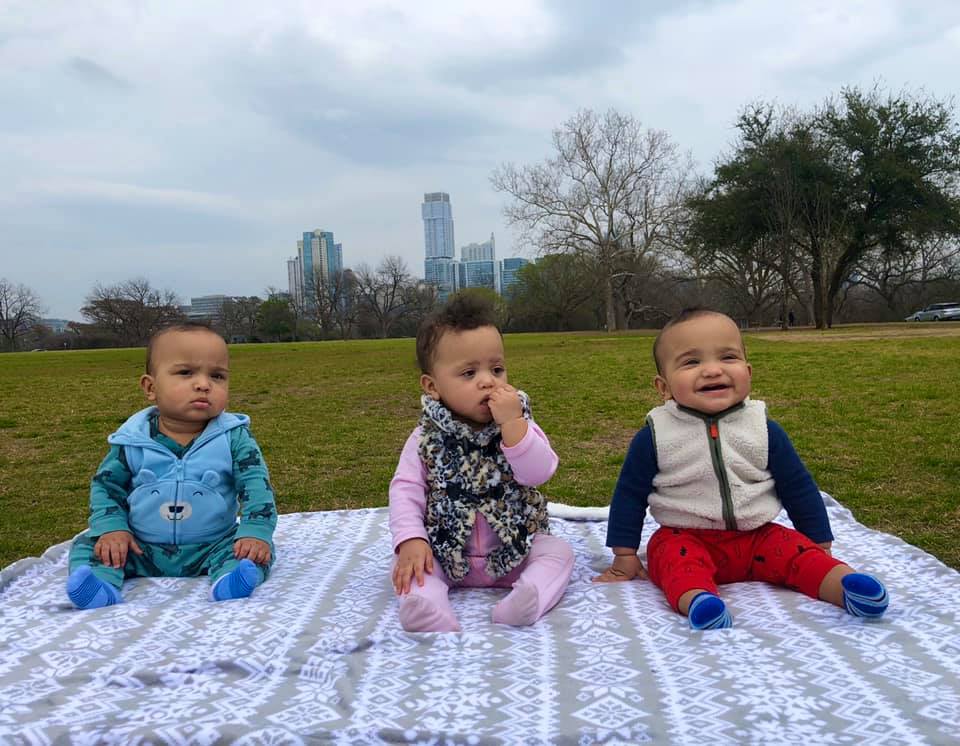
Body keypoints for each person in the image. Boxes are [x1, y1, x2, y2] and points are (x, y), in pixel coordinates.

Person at [594, 308, 888, 630]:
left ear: (748, 371)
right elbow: (629, 496)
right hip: (687, 537)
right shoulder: (655, 436)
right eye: (692, 362)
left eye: (728, 357)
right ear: (663, 387)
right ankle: (699, 601)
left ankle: (845, 586)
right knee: (671, 559)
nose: (712, 370)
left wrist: (818, 543)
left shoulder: (762, 429)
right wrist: (624, 555)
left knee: (799, 555)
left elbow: (798, 487)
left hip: (758, 537)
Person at [389, 294, 574, 632]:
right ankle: (425, 605)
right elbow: (405, 490)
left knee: (558, 552)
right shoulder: (426, 438)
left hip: (515, 547)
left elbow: (539, 471)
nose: (488, 381)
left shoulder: (518, 424)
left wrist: (513, 428)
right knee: (412, 565)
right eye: (469, 372)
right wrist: (411, 540)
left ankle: (528, 597)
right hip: (446, 548)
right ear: (432, 386)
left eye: (497, 369)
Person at [65, 323, 277, 609]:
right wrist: (112, 528)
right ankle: (100, 585)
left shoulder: (233, 436)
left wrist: (255, 531)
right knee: (89, 545)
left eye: (217, 375)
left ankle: (229, 581)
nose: (203, 384)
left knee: (254, 552)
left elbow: (255, 485)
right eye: (185, 373)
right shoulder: (132, 439)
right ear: (150, 387)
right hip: (139, 546)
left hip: (213, 544)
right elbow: (106, 486)